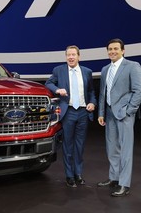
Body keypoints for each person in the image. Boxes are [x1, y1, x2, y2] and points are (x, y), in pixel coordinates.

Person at [45, 45, 96, 188]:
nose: (71, 57)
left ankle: (78, 174)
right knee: (68, 145)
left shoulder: (87, 72)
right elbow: (48, 83)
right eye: (68, 55)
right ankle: (69, 175)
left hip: (83, 112)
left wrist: (92, 102)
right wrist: (57, 90)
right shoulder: (59, 70)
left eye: (74, 54)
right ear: (66, 57)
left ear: (79, 56)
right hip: (68, 113)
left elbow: (91, 91)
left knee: (80, 146)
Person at [97, 38, 141, 197]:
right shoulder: (105, 69)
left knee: (125, 150)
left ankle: (124, 184)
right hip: (109, 114)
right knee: (112, 148)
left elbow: (138, 91)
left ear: (123, 50)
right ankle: (114, 178)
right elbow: (102, 93)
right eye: (110, 49)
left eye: (116, 49)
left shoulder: (132, 66)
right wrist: (101, 113)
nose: (112, 51)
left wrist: (130, 111)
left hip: (124, 115)